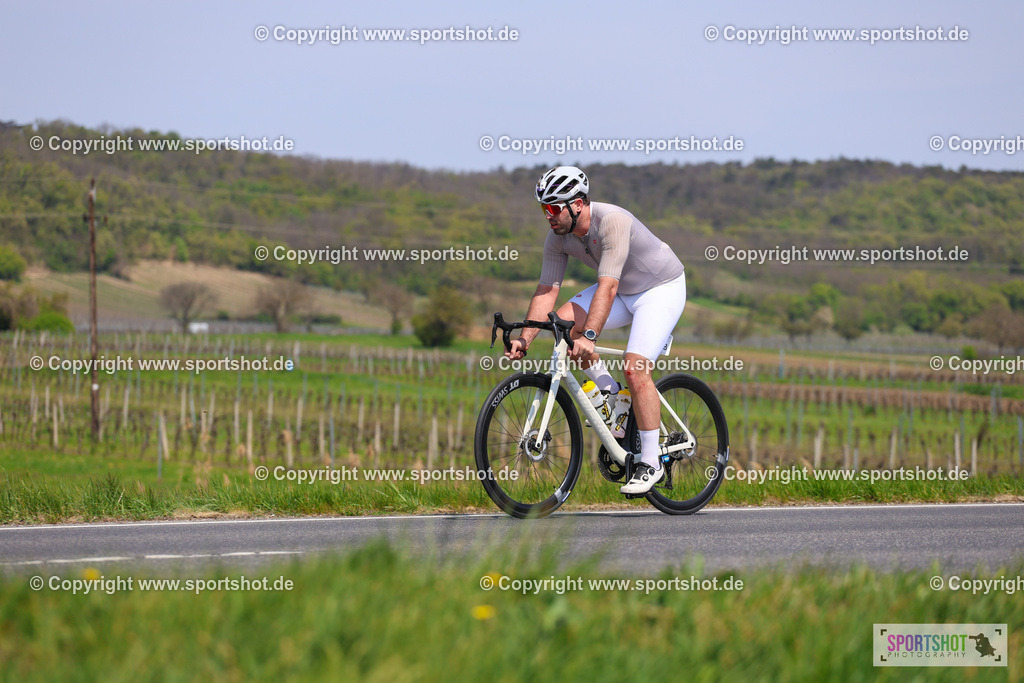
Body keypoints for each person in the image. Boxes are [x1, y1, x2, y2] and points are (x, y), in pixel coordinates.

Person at [505, 165, 687, 494]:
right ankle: (613, 398)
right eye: (543, 209)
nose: (548, 216)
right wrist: (525, 338)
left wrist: (590, 336)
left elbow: (608, 287)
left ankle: (650, 462)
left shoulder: (612, 222)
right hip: (623, 291)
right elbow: (547, 292)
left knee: (635, 368)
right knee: (560, 324)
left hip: (660, 288)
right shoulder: (557, 239)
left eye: (553, 208)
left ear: (577, 204)